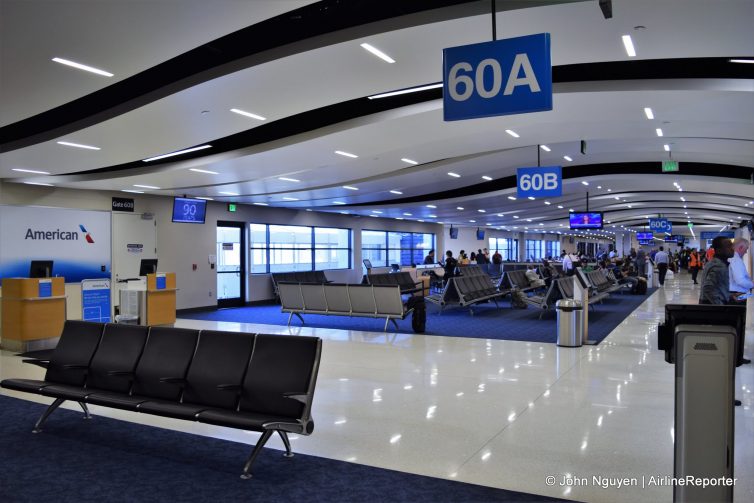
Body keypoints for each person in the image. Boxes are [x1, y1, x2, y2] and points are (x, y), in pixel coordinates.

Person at [728, 238, 752, 364]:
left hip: (736, 296)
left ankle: (735, 355)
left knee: (735, 326)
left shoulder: (733, 259)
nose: (747, 251)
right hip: (736, 297)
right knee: (738, 326)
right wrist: (752, 285)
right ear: (740, 248)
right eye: (746, 249)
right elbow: (740, 280)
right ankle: (737, 357)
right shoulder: (736, 260)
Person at [699, 237, 734, 305]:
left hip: (706, 304)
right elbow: (708, 288)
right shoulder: (719, 266)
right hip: (712, 309)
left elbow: (717, 287)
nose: (732, 249)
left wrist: (728, 295)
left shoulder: (712, 262)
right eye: (728, 247)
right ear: (719, 250)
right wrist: (720, 306)